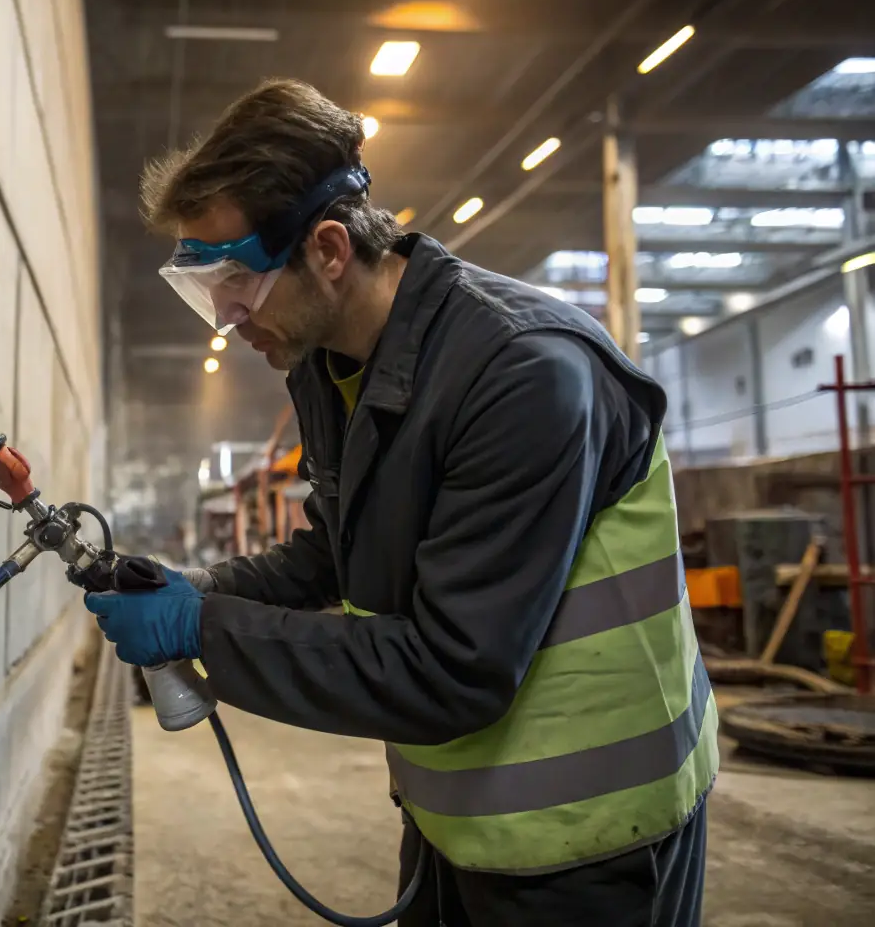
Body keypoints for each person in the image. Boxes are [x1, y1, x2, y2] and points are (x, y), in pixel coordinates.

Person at [84, 79, 716, 926]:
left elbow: (453, 669)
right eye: (202, 284)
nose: (224, 317)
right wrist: (203, 588)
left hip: (592, 836)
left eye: (235, 277)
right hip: (456, 810)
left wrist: (202, 632)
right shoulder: (325, 361)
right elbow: (333, 552)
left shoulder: (522, 374)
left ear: (330, 249)